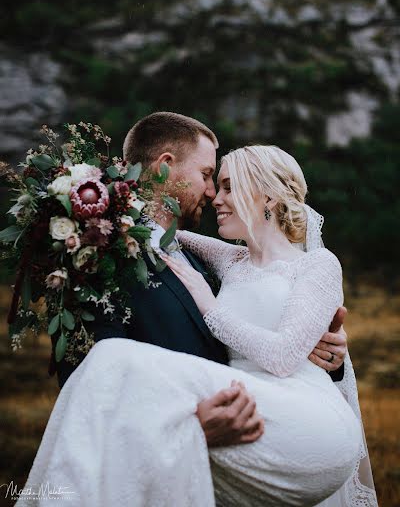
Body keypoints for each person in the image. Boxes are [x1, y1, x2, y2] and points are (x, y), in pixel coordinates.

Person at [16, 114, 376, 506]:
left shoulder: (208, 263)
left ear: (267, 196)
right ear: (166, 166)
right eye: (207, 176)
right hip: (187, 451)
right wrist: (88, 211)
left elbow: (266, 327)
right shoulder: (103, 255)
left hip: (276, 424)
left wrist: (330, 355)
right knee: (109, 360)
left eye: (223, 184)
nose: (212, 194)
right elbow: (88, 387)